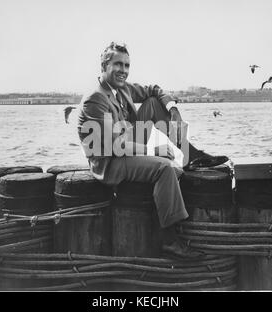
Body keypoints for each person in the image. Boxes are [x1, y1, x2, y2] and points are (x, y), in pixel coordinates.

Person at [77, 42, 228, 257]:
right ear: (104, 65)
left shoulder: (122, 88)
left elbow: (154, 89)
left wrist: (172, 108)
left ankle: (190, 153)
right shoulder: (95, 98)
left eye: (127, 65)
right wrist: (153, 151)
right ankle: (169, 238)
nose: (123, 70)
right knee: (165, 168)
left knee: (153, 102)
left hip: (126, 140)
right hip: (110, 161)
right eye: (118, 64)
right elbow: (113, 146)